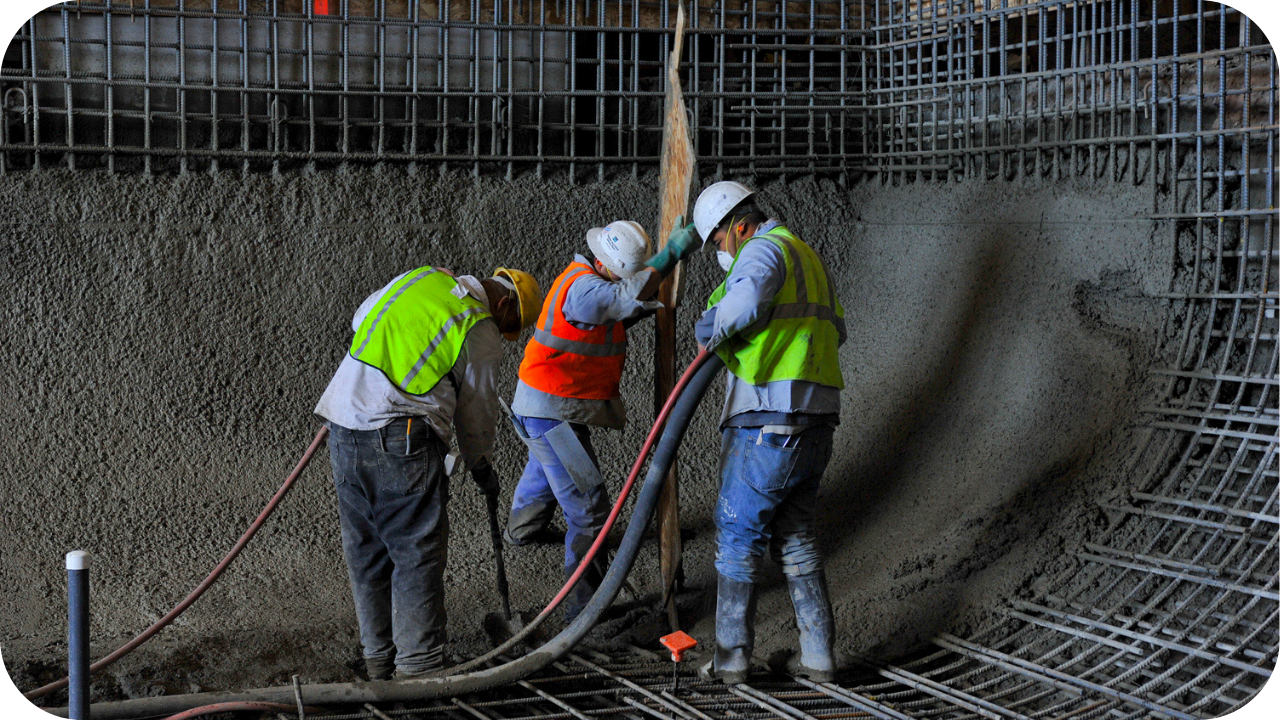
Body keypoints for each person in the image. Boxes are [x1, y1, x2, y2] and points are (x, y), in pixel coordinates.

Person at [314, 265, 542, 680]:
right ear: (505, 304)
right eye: (512, 326)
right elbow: (478, 410)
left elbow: (362, 318)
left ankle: (378, 660)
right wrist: (482, 465)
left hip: (342, 424)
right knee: (415, 553)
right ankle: (418, 670)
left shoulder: (420, 279)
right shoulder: (481, 326)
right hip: (400, 434)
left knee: (366, 552)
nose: (507, 334)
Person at [691, 181, 847, 684]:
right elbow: (835, 329)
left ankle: (732, 661)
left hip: (768, 419)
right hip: (817, 420)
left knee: (738, 536)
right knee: (796, 535)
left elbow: (747, 301)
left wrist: (712, 327)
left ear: (738, 224)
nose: (719, 251)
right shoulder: (808, 256)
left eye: (716, 241)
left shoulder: (761, 249)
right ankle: (820, 657)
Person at [505, 219, 699, 622]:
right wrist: (671, 254)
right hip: (551, 412)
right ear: (605, 263)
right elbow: (619, 297)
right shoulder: (584, 289)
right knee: (590, 510)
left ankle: (523, 530)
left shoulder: (583, 280)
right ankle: (584, 608)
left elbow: (610, 312)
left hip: (542, 405)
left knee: (546, 468)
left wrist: (639, 310)